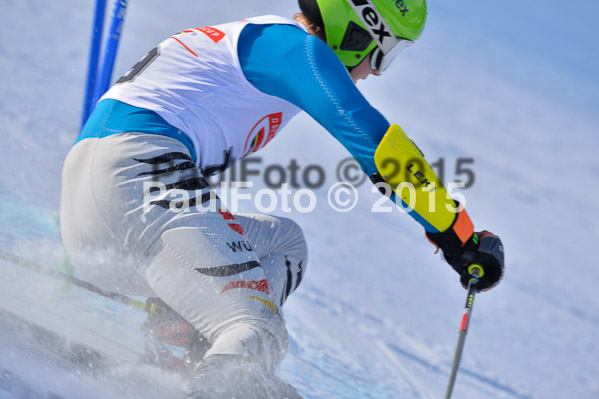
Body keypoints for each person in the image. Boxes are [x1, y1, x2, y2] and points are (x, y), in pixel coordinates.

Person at [60, 0, 504, 397]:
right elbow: (381, 148)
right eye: (383, 52)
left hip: (104, 201)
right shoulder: (295, 50)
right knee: (258, 330)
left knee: (284, 243)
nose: (374, 71)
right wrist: (455, 233)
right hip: (136, 179)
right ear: (360, 25)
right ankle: (222, 379)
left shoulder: (267, 44)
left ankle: (188, 346)